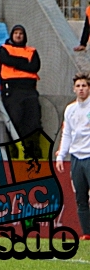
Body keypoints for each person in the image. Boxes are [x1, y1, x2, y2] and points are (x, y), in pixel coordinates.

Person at [0, 24, 42, 159]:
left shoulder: (32, 51)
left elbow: (35, 66)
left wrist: (15, 63)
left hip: (29, 91)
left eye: (21, 33)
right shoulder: (4, 49)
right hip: (12, 91)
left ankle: (32, 153)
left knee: (33, 122)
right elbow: (6, 59)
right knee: (14, 120)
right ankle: (13, 153)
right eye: (16, 33)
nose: (18, 35)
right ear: (11, 35)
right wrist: (24, 62)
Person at [57, 73, 90, 240]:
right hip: (76, 156)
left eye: (84, 86)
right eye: (78, 86)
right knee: (80, 196)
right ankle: (87, 232)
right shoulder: (70, 109)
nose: (81, 89)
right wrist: (61, 155)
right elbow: (67, 134)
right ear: (74, 89)